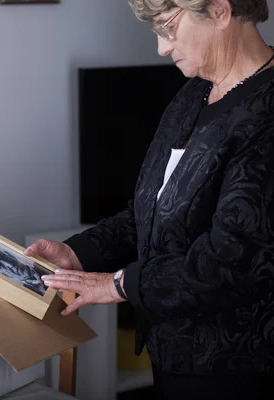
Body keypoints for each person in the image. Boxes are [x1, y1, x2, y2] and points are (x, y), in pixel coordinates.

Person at [24, 0, 274, 398]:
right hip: (172, 353)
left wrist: (118, 285)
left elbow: (232, 260)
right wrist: (78, 254)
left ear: (220, 11)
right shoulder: (192, 96)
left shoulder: (267, 113)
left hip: (238, 367)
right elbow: (148, 212)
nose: (161, 47)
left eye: (167, 27)